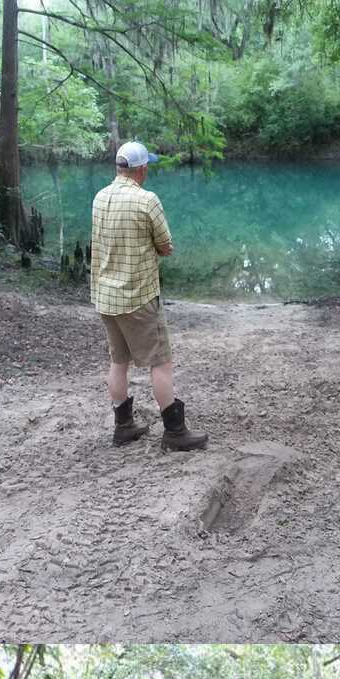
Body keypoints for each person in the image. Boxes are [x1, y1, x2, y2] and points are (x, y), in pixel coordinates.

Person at [90, 141, 205, 452]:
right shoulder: (147, 200)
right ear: (141, 169)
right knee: (161, 362)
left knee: (118, 362)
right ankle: (175, 431)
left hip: (106, 297)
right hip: (138, 296)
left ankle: (123, 427)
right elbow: (166, 246)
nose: (148, 171)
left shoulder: (100, 197)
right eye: (147, 166)